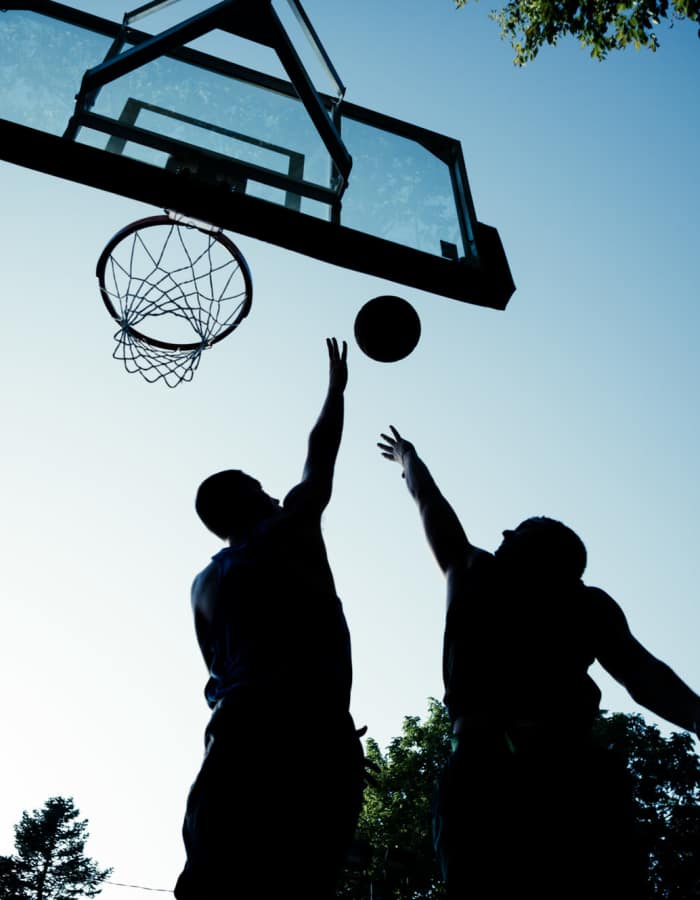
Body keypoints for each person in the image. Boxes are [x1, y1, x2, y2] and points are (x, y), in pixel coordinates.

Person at [377, 425, 700, 900]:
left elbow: (640, 672)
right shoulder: (569, 600)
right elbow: (641, 673)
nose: (505, 532)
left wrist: (410, 458)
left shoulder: (480, 575)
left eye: (521, 530)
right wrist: (408, 458)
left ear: (549, 557)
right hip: (548, 773)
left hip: (520, 773)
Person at [174, 339, 364, 900]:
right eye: (264, 490)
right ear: (255, 499)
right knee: (304, 881)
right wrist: (336, 391)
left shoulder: (202, 586)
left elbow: (227, 672)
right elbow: (320, 454)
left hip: (238, 730)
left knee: (215, 879)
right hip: (307, 729)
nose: (278, 495)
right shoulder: (289, 531)